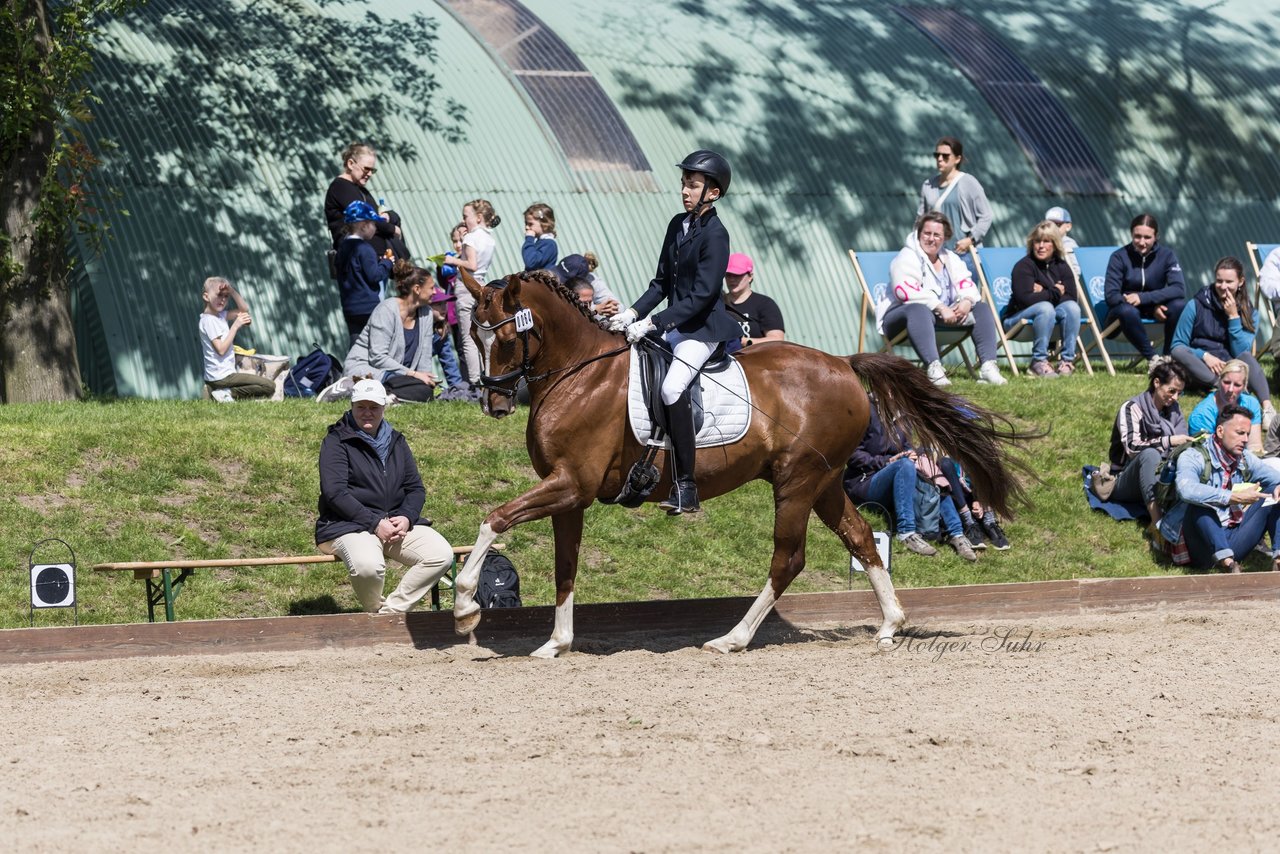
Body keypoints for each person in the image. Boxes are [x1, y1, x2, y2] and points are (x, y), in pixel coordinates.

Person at [607, 149, 741, 514]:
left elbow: (702, 295)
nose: (684, 190)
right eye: (684, 183)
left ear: (712, 193)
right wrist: (631, 312)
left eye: (693, 185)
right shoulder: (676, 225)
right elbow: (661, 283)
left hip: (702, 329)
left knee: (670, 387)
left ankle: (686, 486)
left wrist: (653, 323)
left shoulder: (717, 234)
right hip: (675, 324)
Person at [315, 379, 455, 613]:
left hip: (395, 523)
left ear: (384, 407)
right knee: (368, 567)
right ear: (351, 406)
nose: (367, 413)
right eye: (361, 407)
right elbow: (334, 493)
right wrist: (374, 523)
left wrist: (407, 517)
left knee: (441, 555)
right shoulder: (336, 441)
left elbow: (415, 488)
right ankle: (373, 612)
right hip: (348, 525)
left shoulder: (397, 441)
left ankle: (390, 613)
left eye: (374, 407)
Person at [843, 401, 978, 560]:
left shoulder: (903, 415)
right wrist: (887, 461)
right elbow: (852, 455)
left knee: (930, 468)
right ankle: (906, 532)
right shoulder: (864, 409)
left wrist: (913, 455)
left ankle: (957, 534)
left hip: (897, 477)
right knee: (905, 465)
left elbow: (906, 447)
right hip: (864, 481)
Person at [886, 211, 1007, 387]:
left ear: (945, 237)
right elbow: (905, 291)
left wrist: (966, 301)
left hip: (942, 318)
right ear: (919, 233)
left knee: (980, 307)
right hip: (902, 320)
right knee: (918, 309)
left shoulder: (950, 258)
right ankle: (934, 367)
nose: (931, 239)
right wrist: (940, 307)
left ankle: (988, 366)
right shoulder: (906, 257)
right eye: (927, 233)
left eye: (937, 235)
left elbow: (967, 283)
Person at [1156, 404, 1280, 573]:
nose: (1245, 440)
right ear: (1220, 431)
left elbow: (1275, 477)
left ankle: (1278, 559)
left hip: (1232, 538)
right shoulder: (1194, 455)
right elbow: (1186, 489)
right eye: (1240, 433)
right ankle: (1228, 564)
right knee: (1200, 504)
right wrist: (1233, 497)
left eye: (1248, 434)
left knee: (1275, 491)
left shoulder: (1244, 458)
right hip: (1198, 545)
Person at [1170, 257, 1274, 425]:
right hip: (1199, 366)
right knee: (1178, 352)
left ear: (1240, 282)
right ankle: (1221, 385)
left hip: (1229, 365)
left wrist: (1233, 317)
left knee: (1247, 358)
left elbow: (1241, 351)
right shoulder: (1195, 305)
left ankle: (1267, 408)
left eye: (1229, 281)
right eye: (1219, 281)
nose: (1223, 286)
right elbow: (1177, 344)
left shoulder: (1250, 312)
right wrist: (1204, 355)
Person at [341, 260, 439, 403]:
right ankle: (350, 387)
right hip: (370, 369)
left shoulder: (427, 314)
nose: (435, 292)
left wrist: (425, 379)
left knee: (425, 392)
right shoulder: (386, 310)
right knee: (397, 382)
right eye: (431, 288)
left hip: (400, 377)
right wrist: (413, 374)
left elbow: (425, 359)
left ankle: (387, 397)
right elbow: (377, 358)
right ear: (417, 289)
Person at [1108, 358, 1190, 524]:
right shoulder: (1132, 407)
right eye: (1172, 391)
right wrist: (1169, 441)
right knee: (1150, 454)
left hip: (1162, 473)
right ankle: (1157, 521)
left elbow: (1182, 443)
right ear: (1157, 383)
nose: (1176, 398)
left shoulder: (1174, 410)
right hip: (1124, 478)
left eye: (1179, 393)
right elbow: (1132, 447)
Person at [1103, 213, 1187, 360]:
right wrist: (1150, 307)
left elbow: (1179, 289)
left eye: (1147, 237)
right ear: (1131, 235)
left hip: (1153, 310)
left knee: (1179, 305)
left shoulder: (1167, 255)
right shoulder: (1118, 257)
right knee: (1127, 311)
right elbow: (1111, 296)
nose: (1142, 242)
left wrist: (1144, 299)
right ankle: (1153, 359)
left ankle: (1168, 356)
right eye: (1137, 236)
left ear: (1156, 237)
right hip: (1122, 317)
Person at [1004, 221, 1082, 377]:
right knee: (1045, 307)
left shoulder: (1062, 266)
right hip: (1016, 320)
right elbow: (1024, 300)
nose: (1041, 246)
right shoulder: (1023, 266)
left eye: (1046, 241)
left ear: (1055, 244)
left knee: (1072, 307)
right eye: (1037, 241)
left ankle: (1066, 361)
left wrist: (1043, 290)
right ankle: (1038, 361)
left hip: (1049, 318)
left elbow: (1071, 296)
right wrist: (1054, 291)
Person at [917, 136, 992, 274]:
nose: (940, 159)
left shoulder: (969, 182)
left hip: (964, 254)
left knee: (966, 295)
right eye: (937, 155)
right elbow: (921, 219)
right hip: (936, 255)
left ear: (957, 159)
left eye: (945, 156)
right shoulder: (928, 185)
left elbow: (986, 216)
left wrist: (970, 240)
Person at [323, 142, 409, 260]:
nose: (369, 174)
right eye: (366, 169)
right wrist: (393, 229)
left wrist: (389, 216)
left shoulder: (361, 190)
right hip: (357, 260)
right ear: (351, 164)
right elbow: (368, 219)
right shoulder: (341, 187)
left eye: (372, 170)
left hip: (373, 259)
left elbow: (377, 216)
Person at [197, 276, 275, 401]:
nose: (223, 300)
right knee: (268, 386)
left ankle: (217, 390)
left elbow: (244, 309)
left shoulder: (220, 316)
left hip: (222, 375)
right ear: (206, 297)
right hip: (221, 377)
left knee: (262, 384)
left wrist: (232, 290)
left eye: (226, 296)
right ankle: (225, 393)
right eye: (219, 295)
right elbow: (221, 350)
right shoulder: (209, 321)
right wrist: (235, 326)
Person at [450, 199, 501, 385]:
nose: (464, 221)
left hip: (466, 285)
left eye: (466, 216)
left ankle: (474, 381)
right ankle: (486, 374)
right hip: (482, 285)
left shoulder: (471, 237)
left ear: (479, 217)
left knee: (468, 338)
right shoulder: (489, 239)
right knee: (482, 334)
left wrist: (452, 261)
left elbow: (471, 265)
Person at [335, 200, 394, 342]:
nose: (375, 227)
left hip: (350, 307)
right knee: (375, 344)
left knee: (356, 344)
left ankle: (353, 364)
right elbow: (375, 275)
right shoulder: (365, 248)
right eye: (373, 224)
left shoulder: (342, 247)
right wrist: (386, 263)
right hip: (368, 307)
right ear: (363, 226)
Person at [1187, 359, 1264, 453]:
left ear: (1244, 386)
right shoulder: (1202, 414)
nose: (1230, 389)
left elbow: (1254, 446)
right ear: (1219, 381)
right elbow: (1206, 453)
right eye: (1226, 382)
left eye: (1237, 385)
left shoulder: (1251, 404)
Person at [722, 252, 785, 351]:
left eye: (737, 275)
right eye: (728, 275)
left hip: (757, 362)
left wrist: (743, 341)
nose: (732, 279)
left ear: (750, 276)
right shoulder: (718, 303)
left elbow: (777, 340)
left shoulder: (765, 304)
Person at [555, 252, 619, 314]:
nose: (557, 279)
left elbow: (618, 307)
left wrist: (593, 309)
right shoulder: (552, 272)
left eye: (564, 278)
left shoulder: (594, 283)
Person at [1044, 206, 1081, 279]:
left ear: (1068, 226)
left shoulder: (1068, 244)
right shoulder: (1041, 243)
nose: (1053, 227)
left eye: (1057, 224)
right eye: (1049, 224)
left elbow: (1076, 271)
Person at [522, 203, 558, 271]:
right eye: (526, 224)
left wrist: (529, 240)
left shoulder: (549, 244)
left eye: (530, 224)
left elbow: (531, 262)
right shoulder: (539, 242)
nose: (526, 227)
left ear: (545, 224)